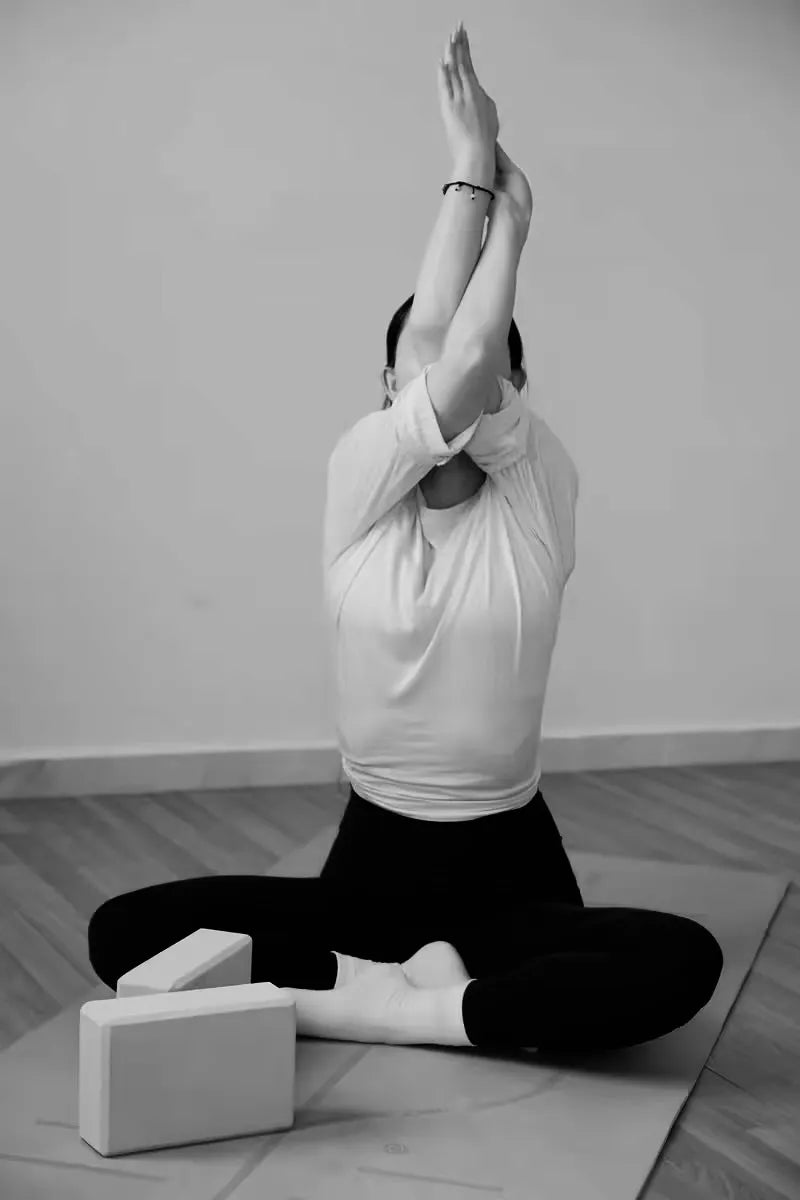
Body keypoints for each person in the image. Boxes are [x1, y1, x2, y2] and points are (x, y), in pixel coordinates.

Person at [87, 24, 723, 1053]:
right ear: (384, 394)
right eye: (404, 380)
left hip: (511, 866)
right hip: (372, 866)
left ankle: (389, 1007)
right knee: (126, 933)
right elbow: (440, 355)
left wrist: (500, 218)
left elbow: (459, 357)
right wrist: (479, 187)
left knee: (680, 959)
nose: (433, 393)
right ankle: (430, 1006)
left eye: (475, 384)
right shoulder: (357, 484)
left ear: (511, 394)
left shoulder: (538, 488)